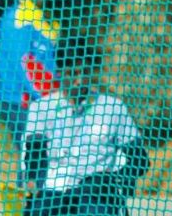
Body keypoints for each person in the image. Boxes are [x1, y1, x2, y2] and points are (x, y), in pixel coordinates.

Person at [21, 37, 150, 216]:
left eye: (85, 72)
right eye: (73, 72)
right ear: (60, 72)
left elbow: (140, 160)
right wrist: (34, 184)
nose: (80, 80)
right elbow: (33, 157)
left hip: (96, 193)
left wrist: (115, 179)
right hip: (54, 192)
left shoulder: (112, 107)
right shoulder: (41, 109)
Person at [0, 0, 60, 189]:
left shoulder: (45, 18)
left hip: (45, 99)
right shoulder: (18, 18)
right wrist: (41, 95)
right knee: (33, 157)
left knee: (44, 157)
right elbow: (21, 62)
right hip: (21, 101)